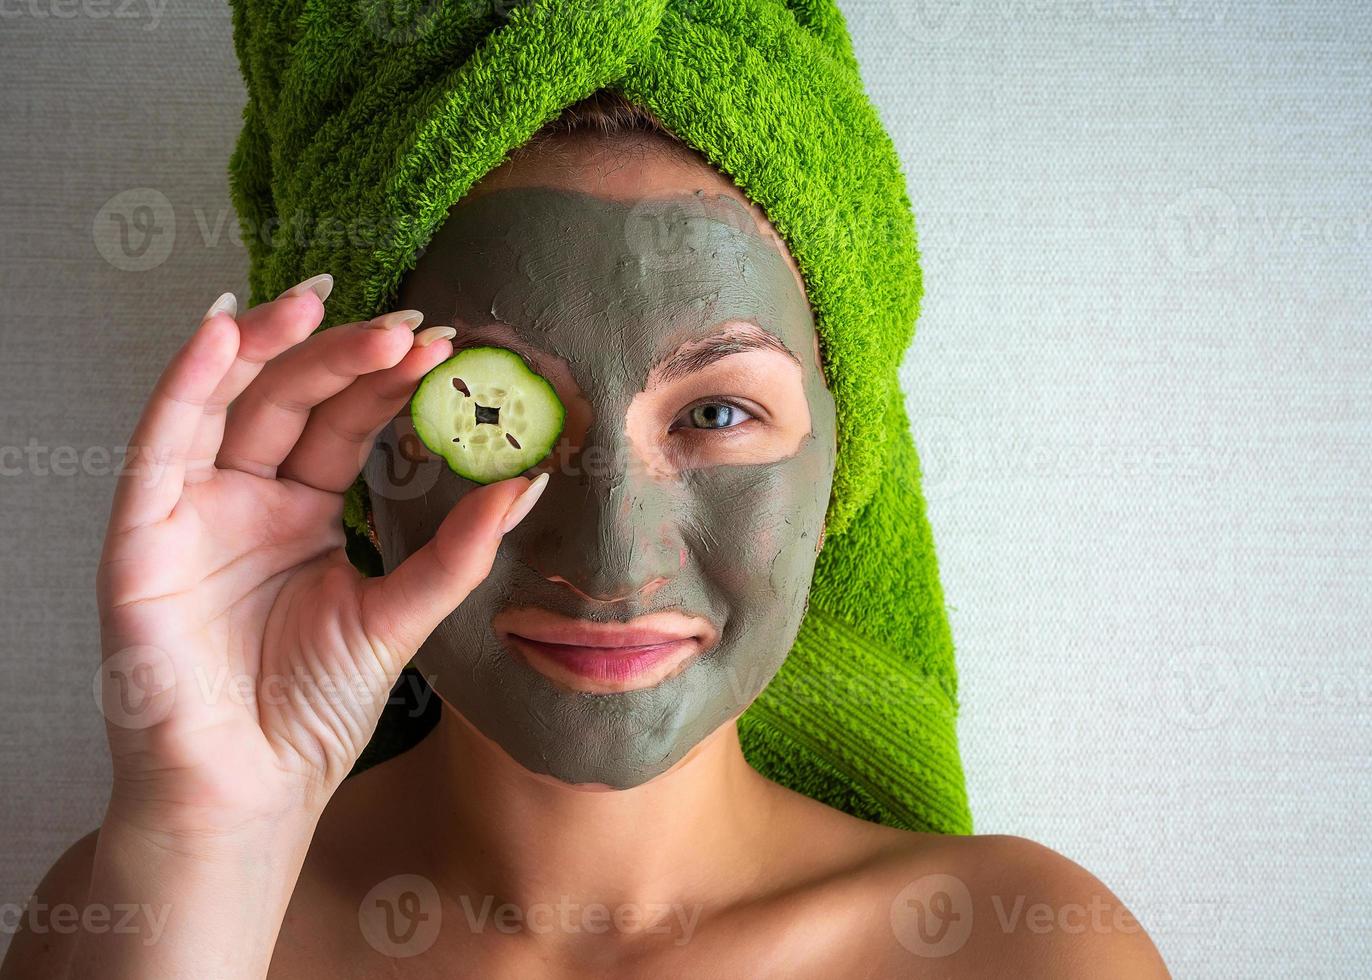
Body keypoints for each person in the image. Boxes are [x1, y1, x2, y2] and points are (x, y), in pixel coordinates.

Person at [2, 86, 1168, 977]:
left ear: (841, 470)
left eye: (716, 412)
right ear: (364, 453)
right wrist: (210, 844)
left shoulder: (1024, 948)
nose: (610, 557)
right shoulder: (118, 912)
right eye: (497, 414)